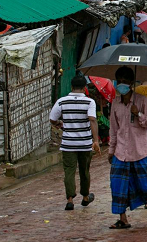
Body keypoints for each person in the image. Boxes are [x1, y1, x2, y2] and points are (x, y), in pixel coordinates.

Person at [108, 67, 147, 228]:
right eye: (119, 81)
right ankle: (123, 219)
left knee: (144, 185)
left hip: (139, 151)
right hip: (120, 152)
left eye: (125, 81)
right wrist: (111, 150)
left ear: (131, 83)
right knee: (117, 185)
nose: (122, 84)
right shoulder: (115, 104)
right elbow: (113, 129)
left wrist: (138, 114)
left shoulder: (142, 101)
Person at [50, 75, 100, 211]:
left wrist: (60, 124)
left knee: (69, 171)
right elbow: (92, 120)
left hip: (68, 143)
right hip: (84, 143)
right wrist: (95, 140)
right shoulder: (89, 102)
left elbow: (52, 118)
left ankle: (70, 200)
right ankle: (85, 196)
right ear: (84, 88)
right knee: (85, 171)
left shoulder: (62, 101)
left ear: (71, 87)